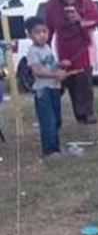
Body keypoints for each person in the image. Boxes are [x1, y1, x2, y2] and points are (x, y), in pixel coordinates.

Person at [45, 0, 98, 124]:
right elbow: (48, 28)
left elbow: (96, 19)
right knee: (71, 81)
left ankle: (88, 112)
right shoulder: (53, 5)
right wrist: (46, 46)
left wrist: (79, 19)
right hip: (64, 46)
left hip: (83, 45)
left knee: (85, 80)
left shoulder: (84, 0)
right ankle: (79, 114)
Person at [25, 16, 70, 157]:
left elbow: (51, 64)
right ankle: (49, 150)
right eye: (37, 32)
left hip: (54, 88)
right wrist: (55, 75)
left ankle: (55, 146)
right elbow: (38, 71)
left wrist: (61, 64)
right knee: (47, 120)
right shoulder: (33, 51)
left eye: (44, 31)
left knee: (56, 119)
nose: (42, 35)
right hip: (43, 91)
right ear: (29, 35)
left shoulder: (47, 47)